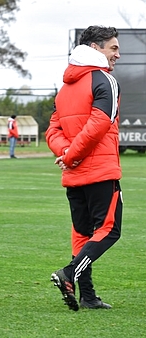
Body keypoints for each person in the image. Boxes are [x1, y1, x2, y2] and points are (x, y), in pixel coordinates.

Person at [45, 25, 122, 311]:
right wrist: (72, 155)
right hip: (100, 170)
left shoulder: (65, 87)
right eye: (112, 48)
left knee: (82, 233)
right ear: (95, 48)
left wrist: (66, 154)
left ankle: (88, 296)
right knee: (109, 231)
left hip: (74, 173)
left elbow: (52, 129)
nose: (118, 54)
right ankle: (69, 273)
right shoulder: (105, 81)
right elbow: (100, 123)